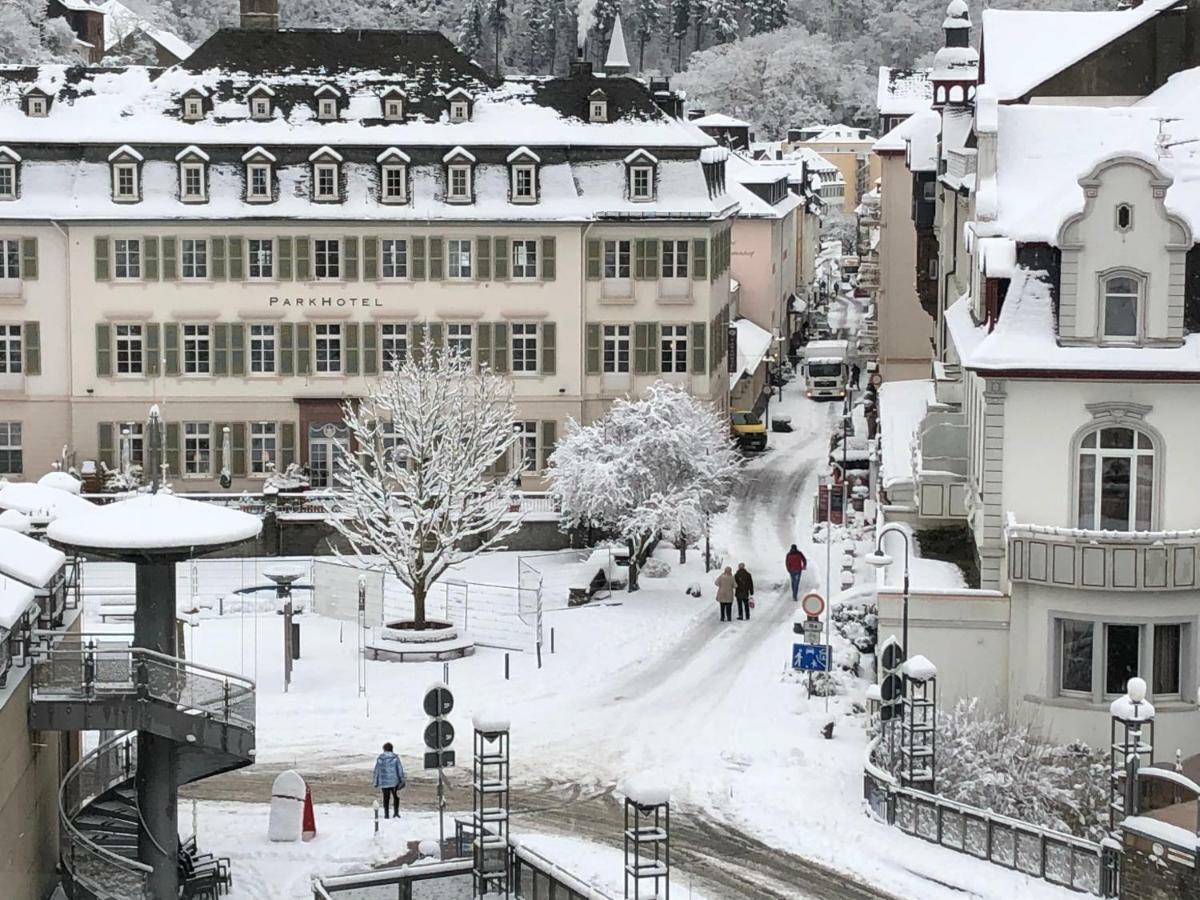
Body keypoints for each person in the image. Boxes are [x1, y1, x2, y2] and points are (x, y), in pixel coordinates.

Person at [372, 742, 405, 819]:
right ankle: (396, 813)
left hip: (384, 782)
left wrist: (375, 782)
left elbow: (377, 770)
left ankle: (386, 814)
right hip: (394, 782)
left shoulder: (380, 758)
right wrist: (402, 780)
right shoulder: (395, 758)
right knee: (395, 797)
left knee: (386, 798)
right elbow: (399, 769)